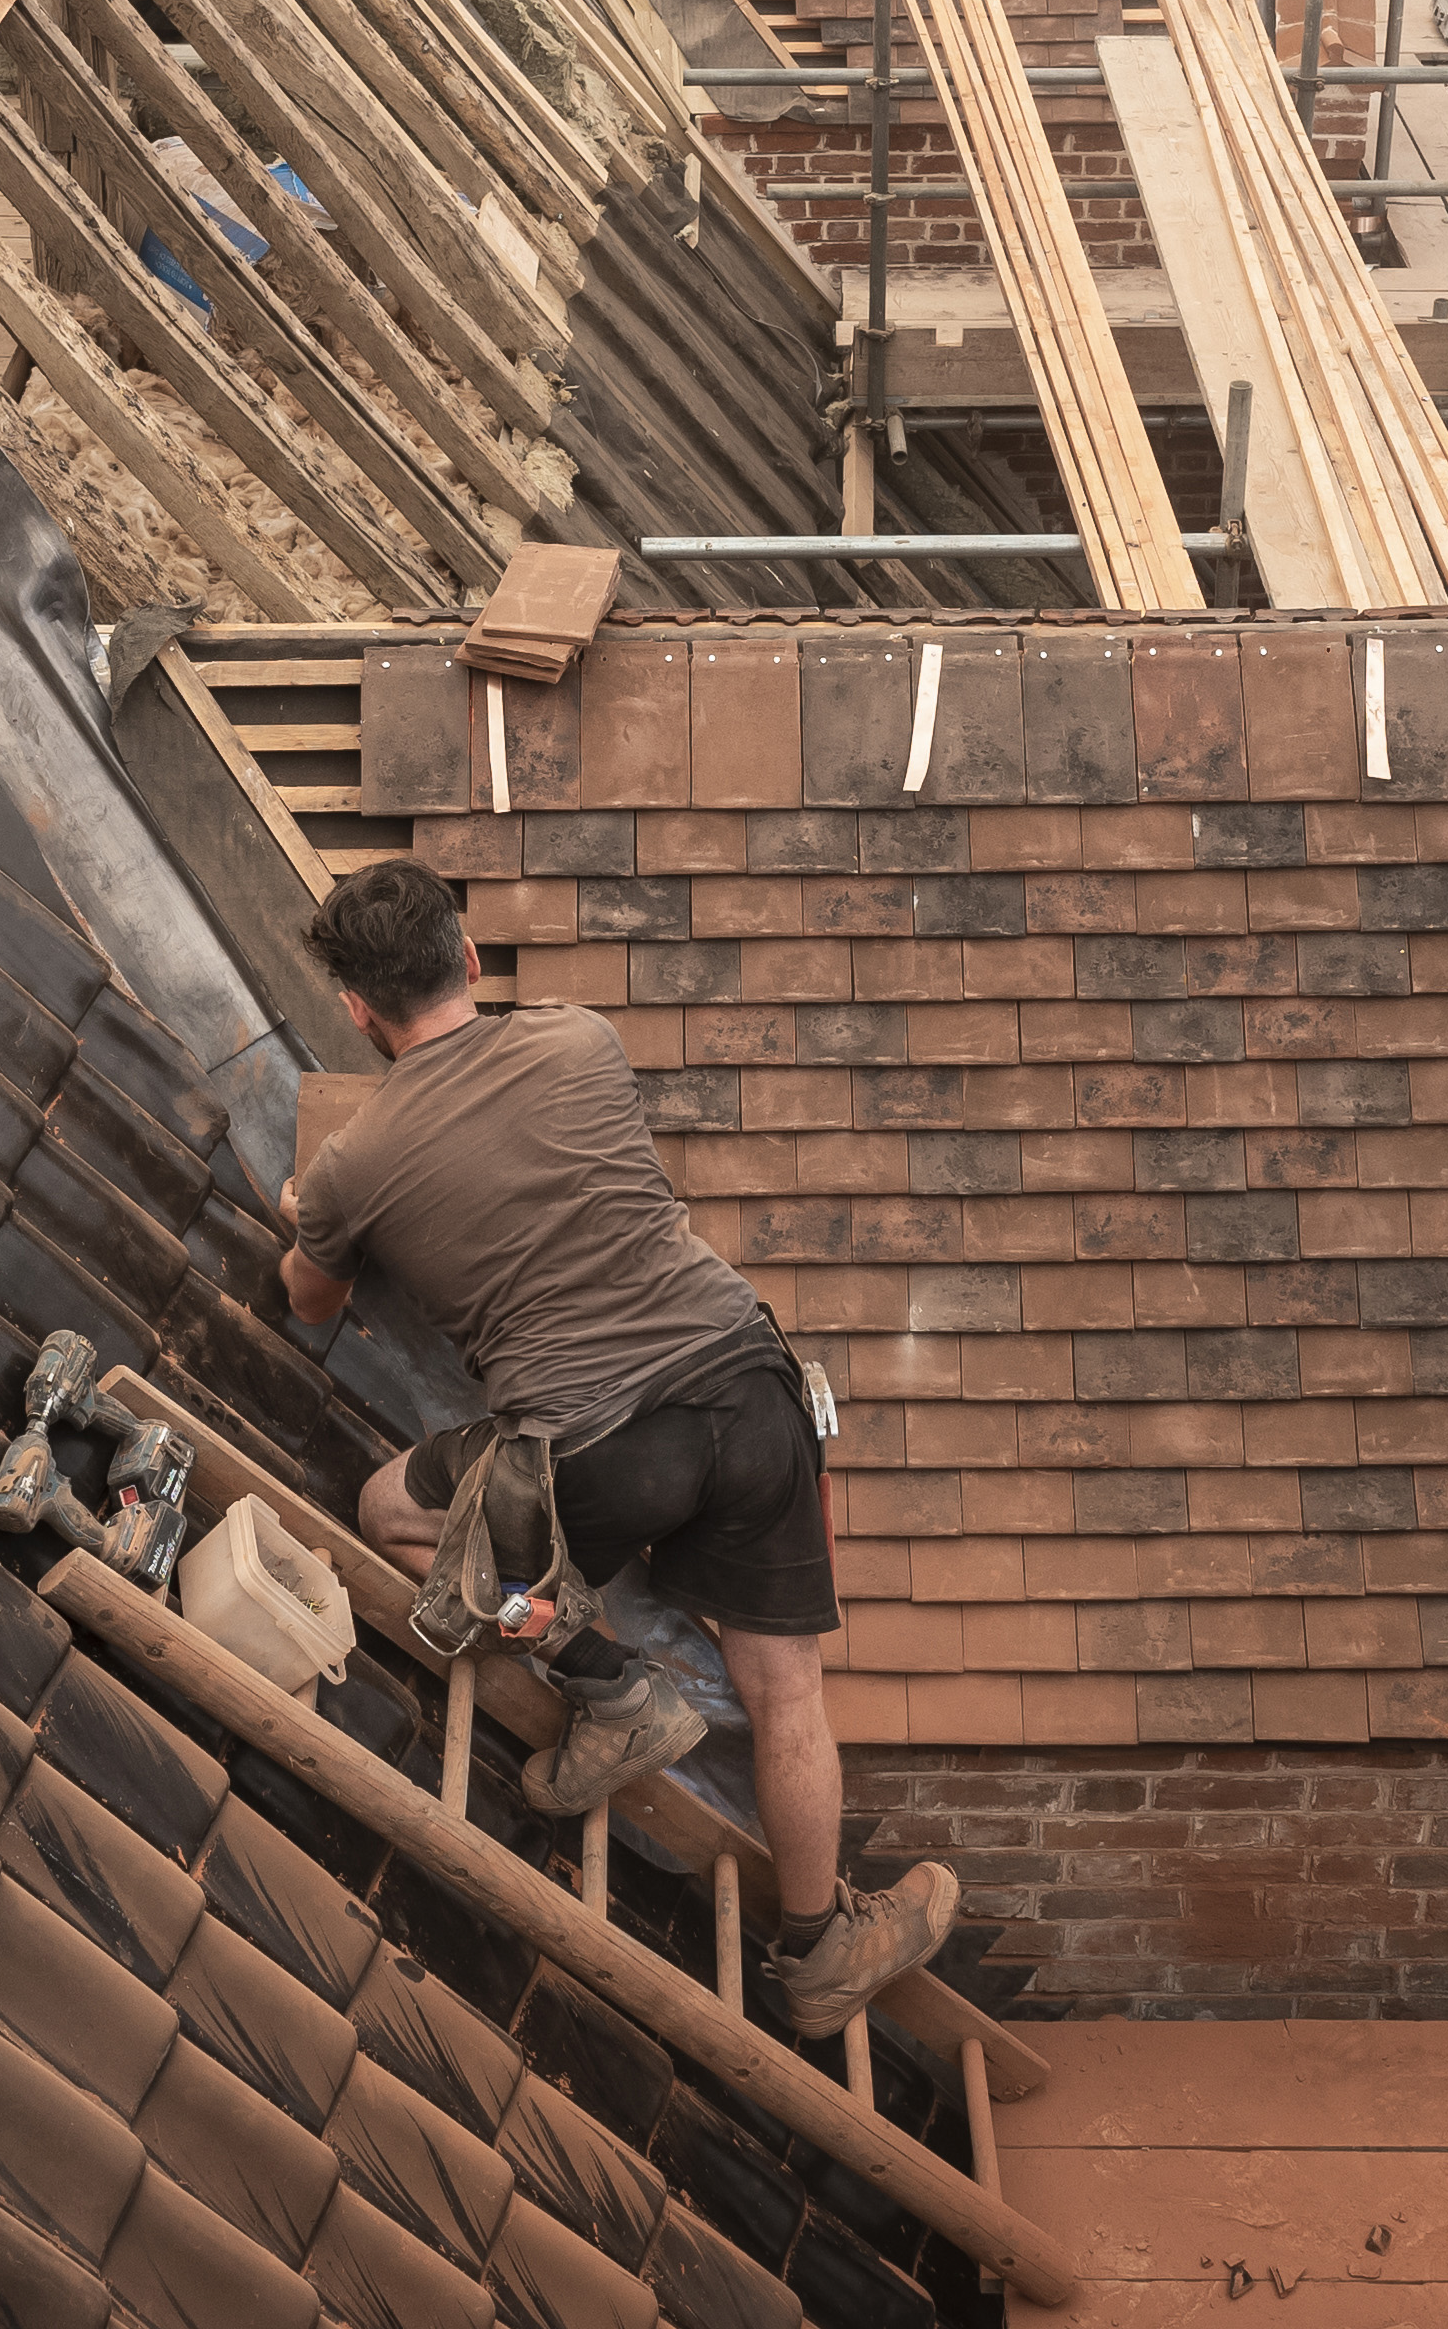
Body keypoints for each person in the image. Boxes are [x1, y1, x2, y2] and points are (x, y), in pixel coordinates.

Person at [278, 858, 958, 2038]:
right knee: (787, 1691)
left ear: (354, 1008)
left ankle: (609, 1683)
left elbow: (312, 1305)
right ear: (470, 958)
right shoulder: (580, 1039)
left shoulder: (355, 1165)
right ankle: (818, 1949)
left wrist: (309, 1221)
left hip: (587, 1453)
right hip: (743, 1392)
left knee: (392, 1503)